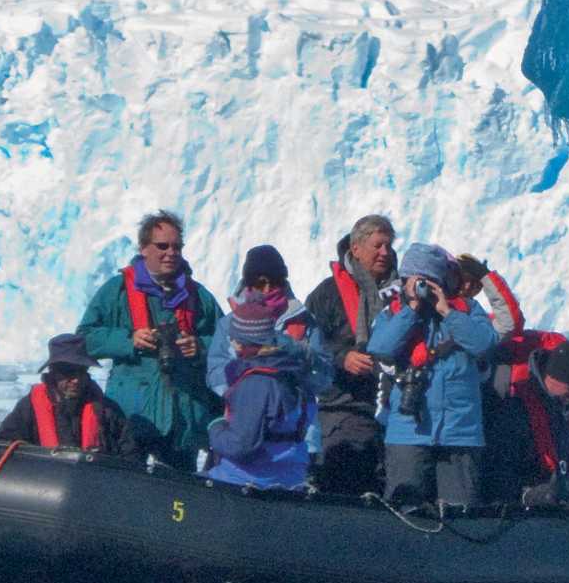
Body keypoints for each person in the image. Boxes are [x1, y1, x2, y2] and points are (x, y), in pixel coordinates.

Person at [77, 209, 221, 470]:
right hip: (131, 416)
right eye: (162, 246)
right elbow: (84, 338)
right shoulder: (117, 291)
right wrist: (128, 341)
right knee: (125, 484)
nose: (171, 253)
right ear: (143, 248)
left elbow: (227, 345)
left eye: (177, 247)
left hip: (182, 418)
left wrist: (200, 346)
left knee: (178, 489)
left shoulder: (199, 296)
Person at [368, 241, 496, 510]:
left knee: (460, 514)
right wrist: (411, 310)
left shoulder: (467, 309)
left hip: (460, 433)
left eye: (428, 281)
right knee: (404, 512)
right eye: (414, 280)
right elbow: (380, 347)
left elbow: (483, 343)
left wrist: (447, 312)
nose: (421, 287)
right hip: (408, 431)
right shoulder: (394, 312)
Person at [205, 243, 333, 467]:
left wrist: (302, 360)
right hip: (243, 428)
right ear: (247, 283)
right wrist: (250, 394)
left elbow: (325, 379)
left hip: (297, 438)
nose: (266, 289)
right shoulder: (229, 324)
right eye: (259, 283)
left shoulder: (305, 322)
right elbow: (215, 372)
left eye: (274, 282)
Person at [303, 214, 401, 495]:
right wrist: (341, 357)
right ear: (355, 249)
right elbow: (307, 345)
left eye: (389, 246)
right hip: (343, 406)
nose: (385, 253)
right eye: (378, 245)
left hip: (394, 409)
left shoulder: (403, 293)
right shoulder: (327, 294)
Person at [204, 296, 318, 491]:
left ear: (241, 342)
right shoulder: (295, 373)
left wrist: (215, 427)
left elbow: (241, 445)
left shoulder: (255, 383)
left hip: (246, 481)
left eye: (233, 338)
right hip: (292, 479)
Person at [494, 337, 569, 505]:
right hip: (523, 505)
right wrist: (528, 495)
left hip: (568, 499)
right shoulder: (517, 407)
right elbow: (501, 466)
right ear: (551, 378)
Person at [0, 333, 135, 454]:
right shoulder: (28, 408)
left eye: (81, 372)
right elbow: (1, 448)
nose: (76, 380)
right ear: (53, 373)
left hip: (93, 477)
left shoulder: (107, 410)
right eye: (68, 372)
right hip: (44, 477)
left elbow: (129, 455)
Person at [457, 251, 566, 396]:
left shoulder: (481, 321)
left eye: (476, 284)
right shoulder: (435, 311)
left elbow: (511, 324)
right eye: (463, 279)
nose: (467, 287)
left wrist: (487, 277)